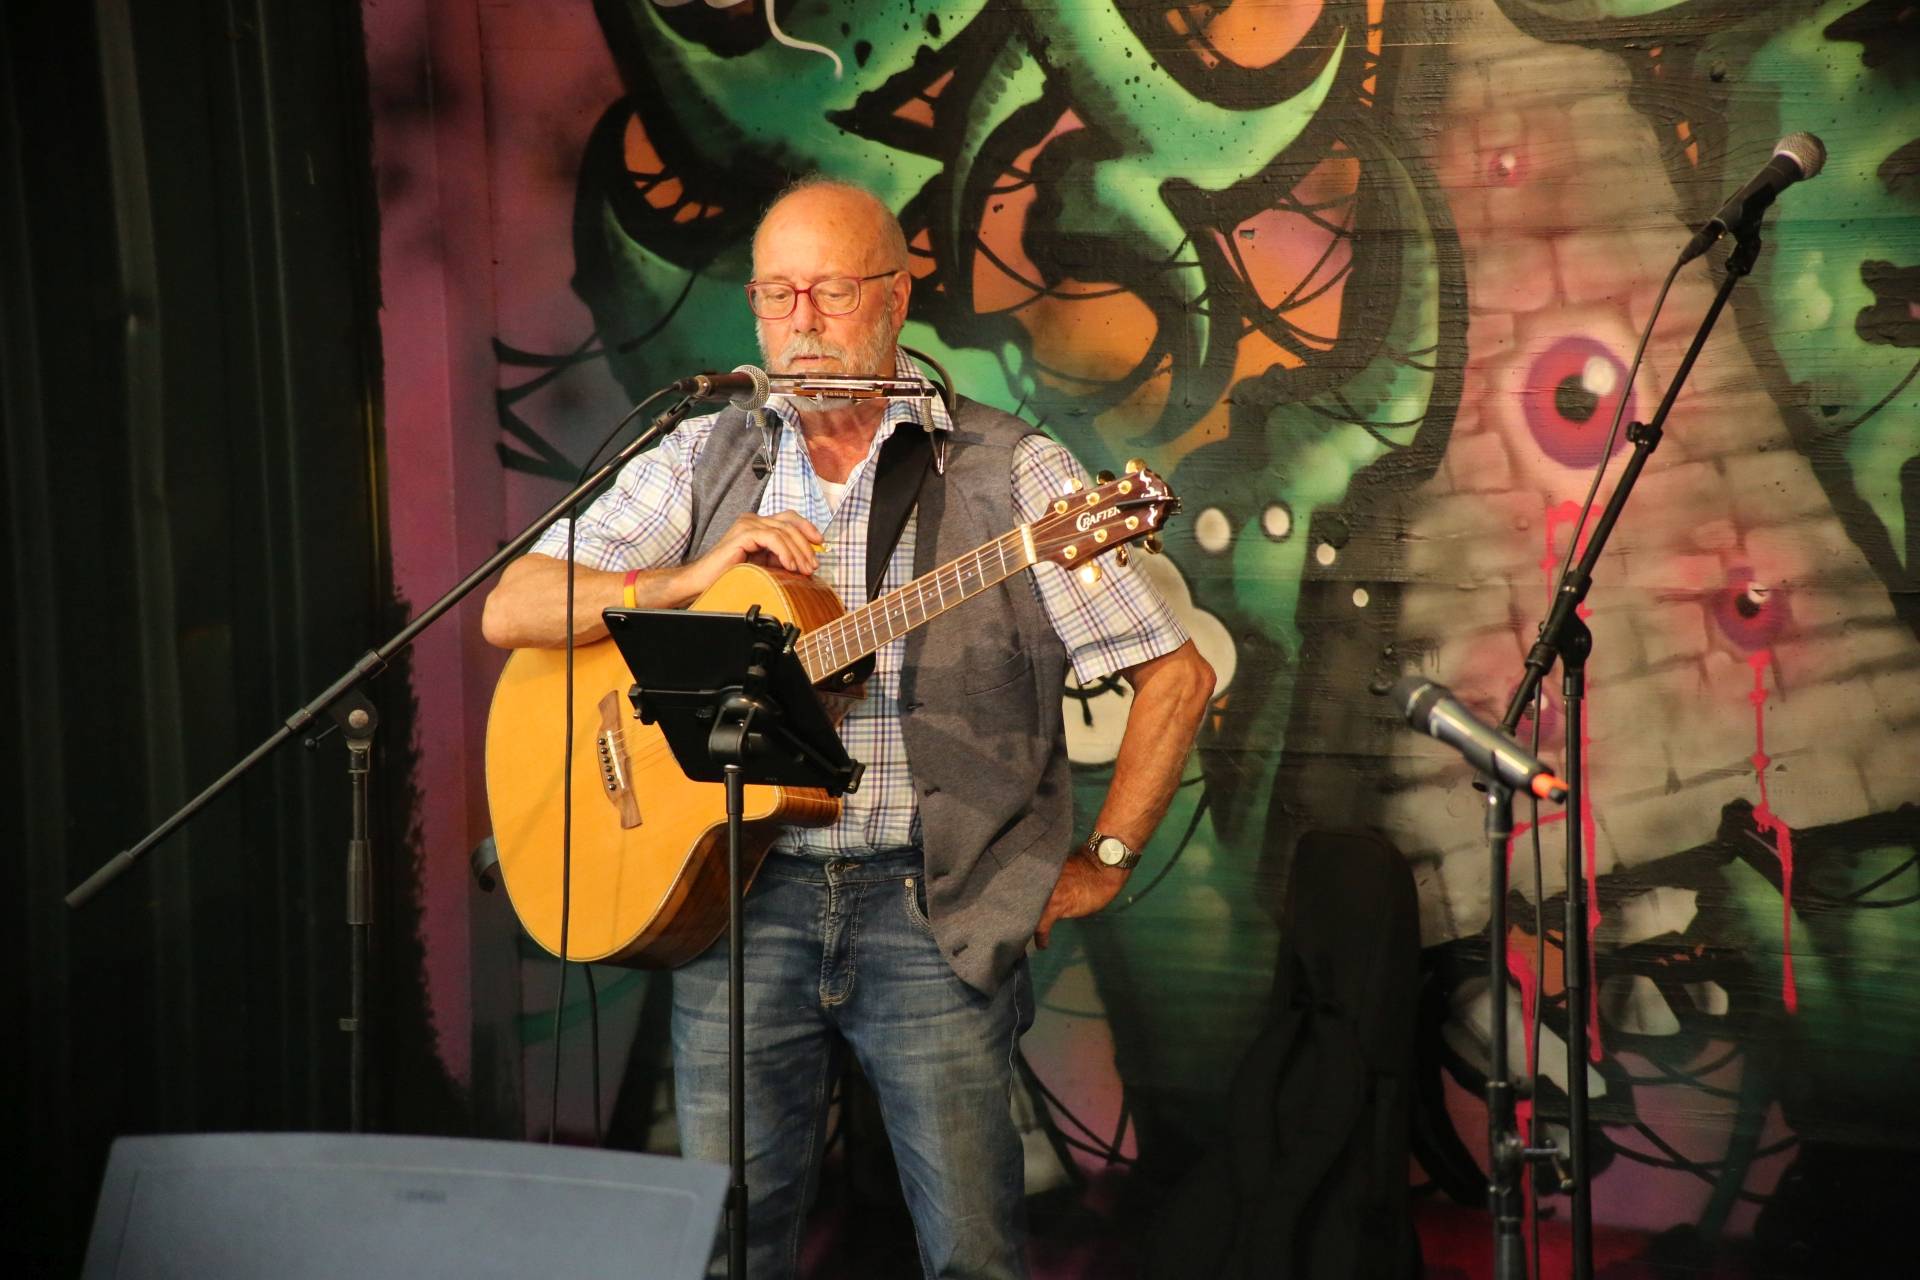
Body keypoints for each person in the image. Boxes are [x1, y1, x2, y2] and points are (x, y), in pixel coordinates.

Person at [480, 177, 1214, 1279]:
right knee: (730, 1249)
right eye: (777, 296)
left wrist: (1104, 860)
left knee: (972, 1255)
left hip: (932, 910)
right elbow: (513, 607)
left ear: (897, 296)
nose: (803, 323)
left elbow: (1178, 675)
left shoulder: (1014, 471)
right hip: (735, 898)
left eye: (830, 291)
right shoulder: (704, 454)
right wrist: (690, 577)